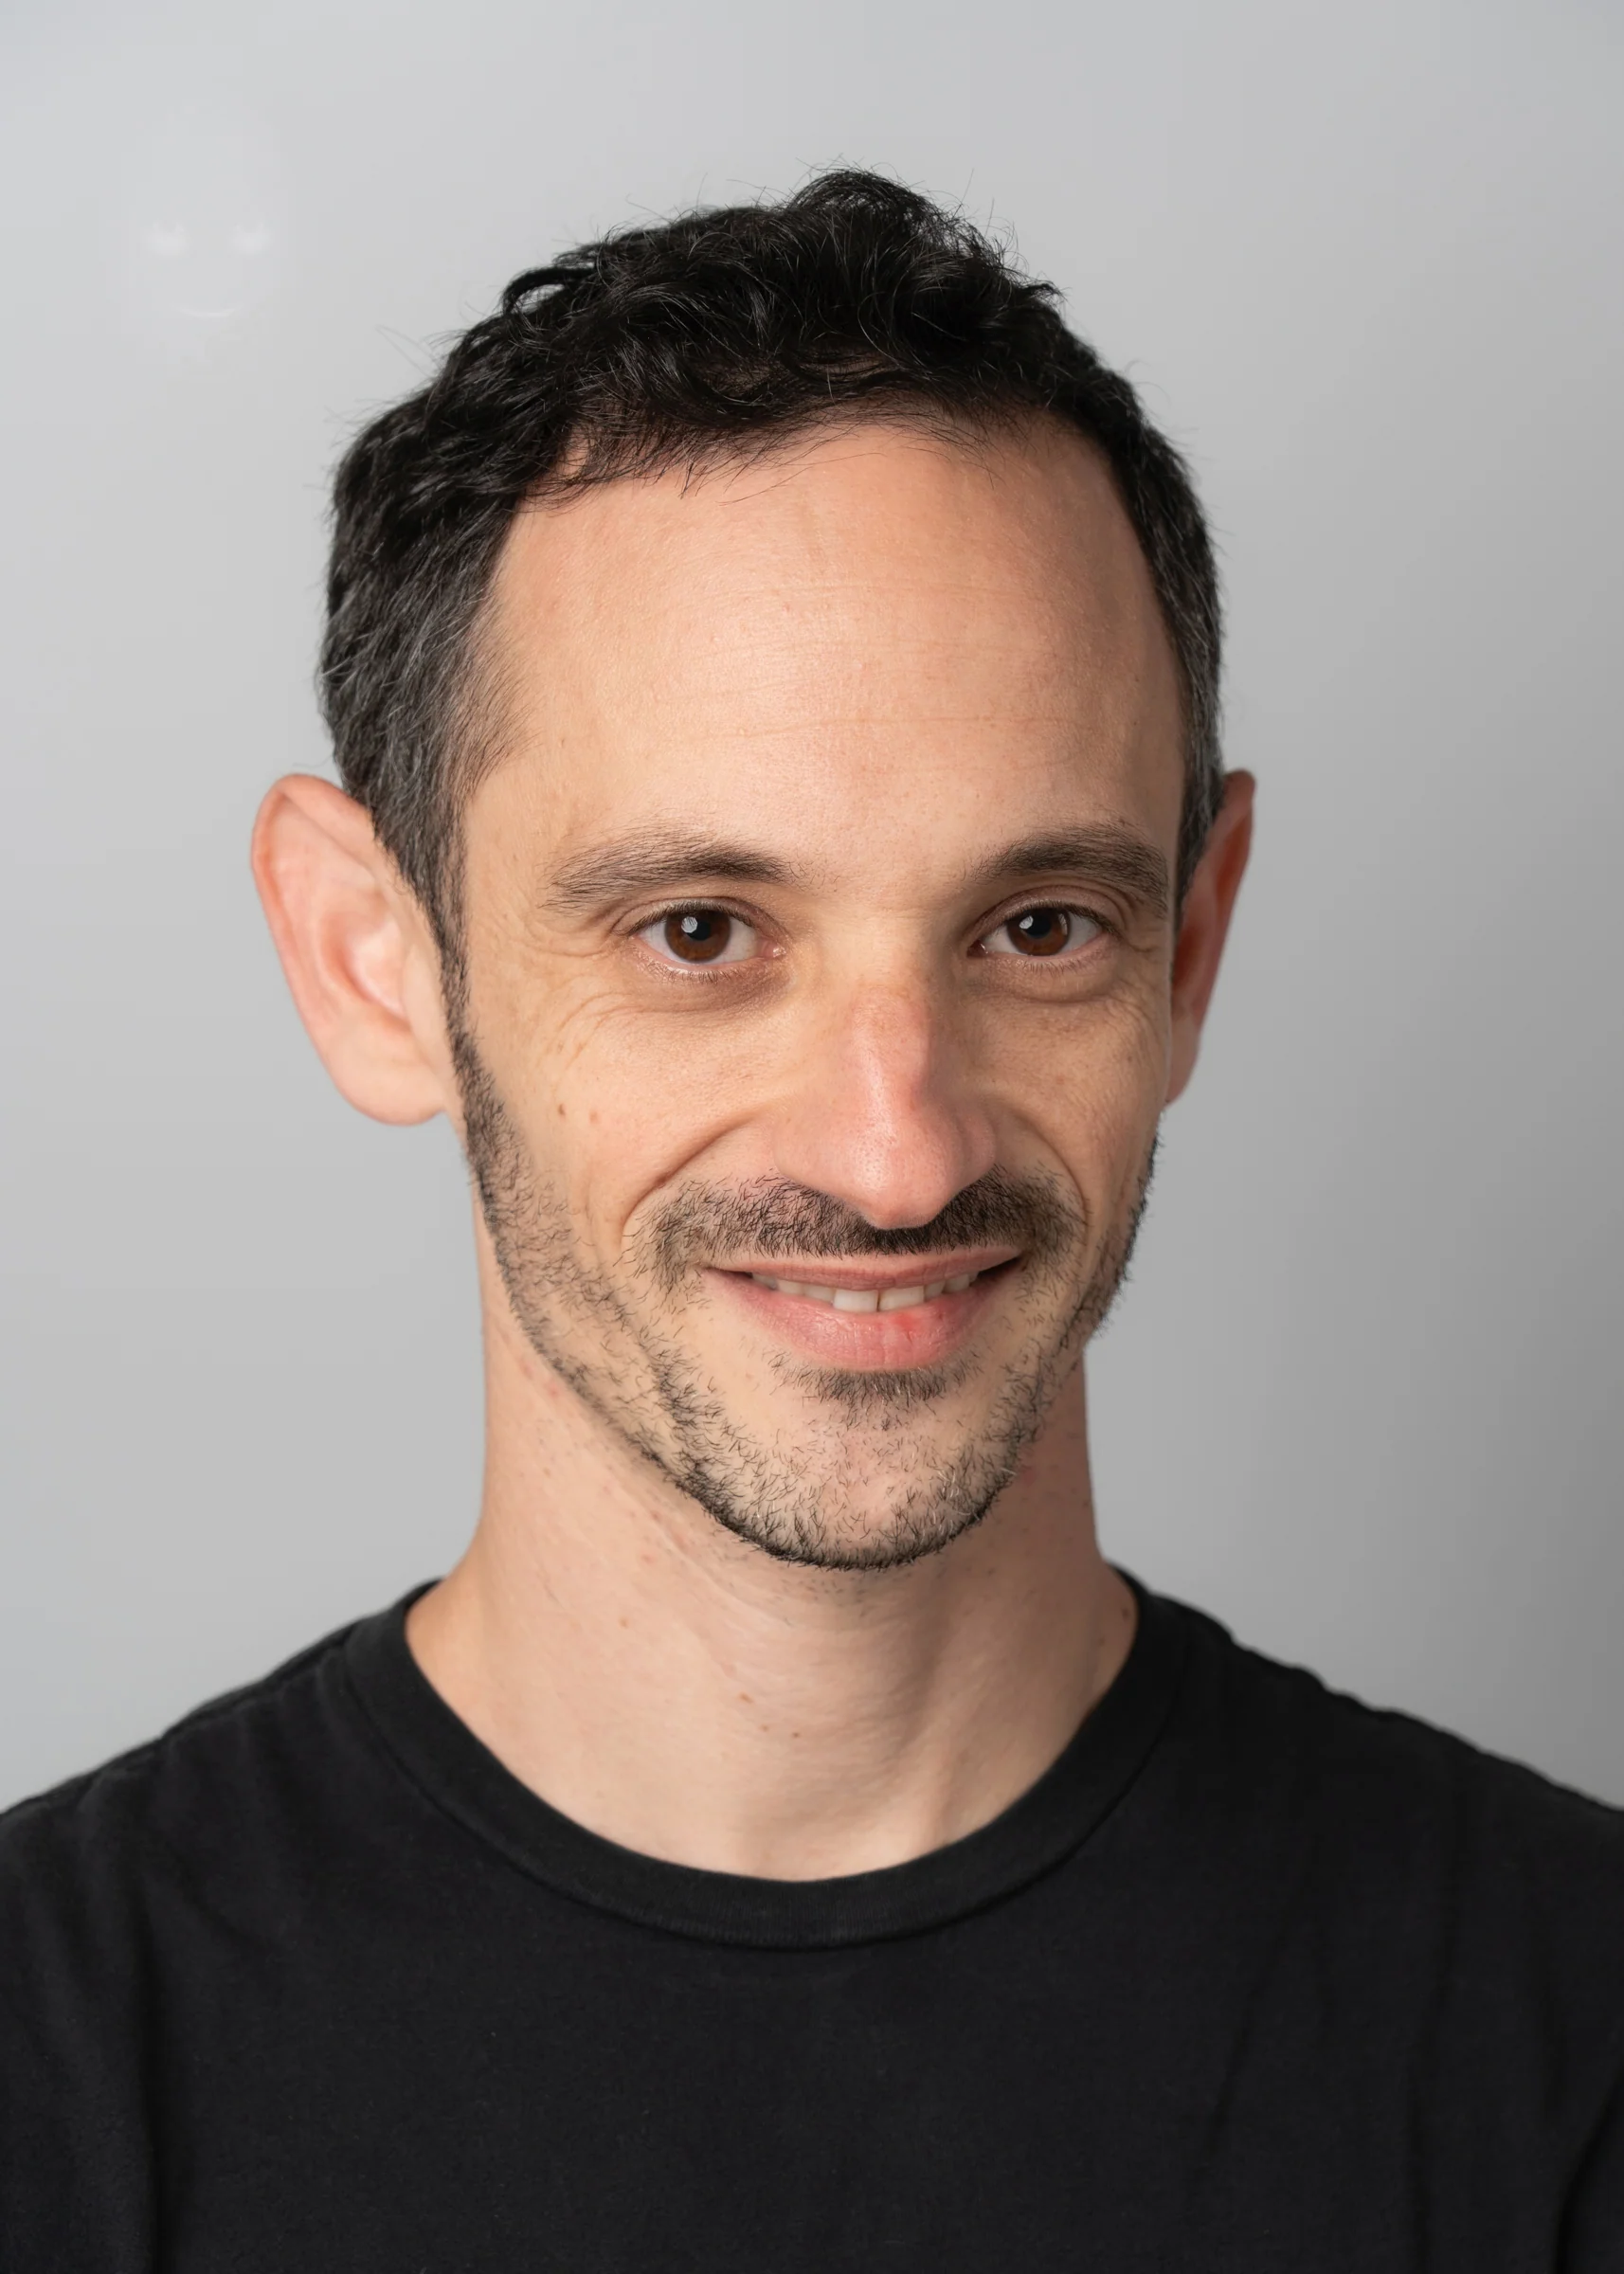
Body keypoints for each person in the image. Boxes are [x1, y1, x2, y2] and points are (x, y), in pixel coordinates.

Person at [1, 169, 1619, 2272]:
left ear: (1189, 949)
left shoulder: (1568, 2043)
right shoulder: (47, 2082)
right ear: (374, 963)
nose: (895, 1152)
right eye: (698, 931)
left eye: (1035, 927)